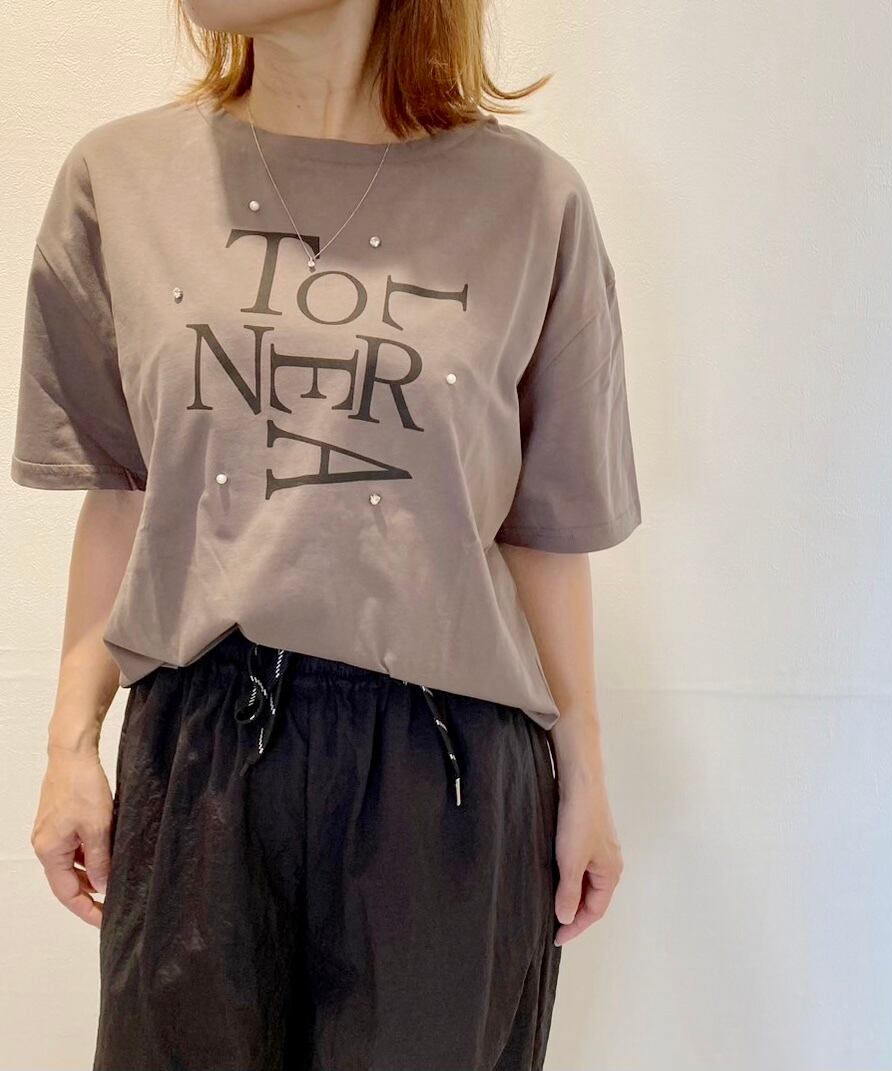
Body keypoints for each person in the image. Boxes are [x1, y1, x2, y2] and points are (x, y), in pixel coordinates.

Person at [10, 0, 642, 1068]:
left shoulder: (530, 203)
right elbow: (123, 490)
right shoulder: (121, 180)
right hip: (201, 753)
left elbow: (542, 527)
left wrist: (585, 771)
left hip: (444, 770)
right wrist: (71, 742)